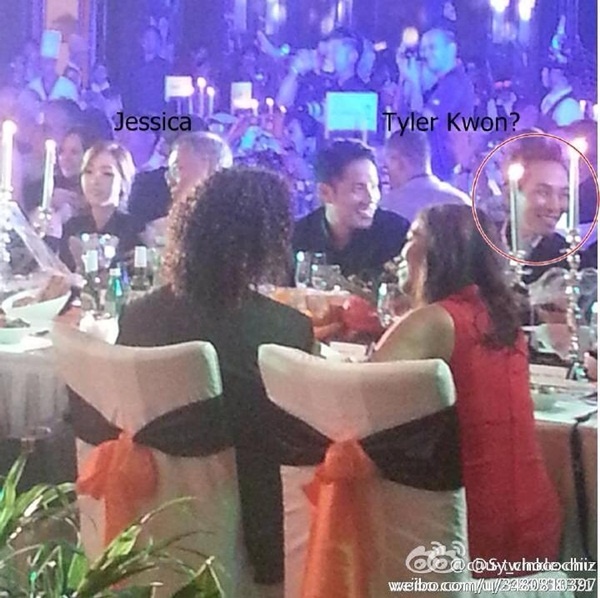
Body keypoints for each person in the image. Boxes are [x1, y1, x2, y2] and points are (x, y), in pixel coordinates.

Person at [117, 167, 315, 589]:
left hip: (148, 501)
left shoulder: (137, 316)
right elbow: (300, 431)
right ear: (266, 242)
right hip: (252, 517)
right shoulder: (287, 329)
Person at [372, 204, 561, 572]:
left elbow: (359, 401)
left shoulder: (433, 321)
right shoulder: (501, 320)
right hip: (535, 518)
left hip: (471, 526)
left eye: (412, 238)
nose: (400, 252)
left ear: (439, 251)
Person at [292, 139, 409, 281]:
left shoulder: (396, 234)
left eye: (374, 187)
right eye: (359, 188)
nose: (371, 198)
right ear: (325, 192)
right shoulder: (298, 238)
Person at [399, 28, 475, 181]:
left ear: (451, 49)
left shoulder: (454, 84)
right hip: (437, 173)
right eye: (423, 49)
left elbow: (421, 125)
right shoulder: (438, 86)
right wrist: (406, 79)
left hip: (445, 174)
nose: (426, 54)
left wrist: (415, 84)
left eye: (432, 47)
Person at [129, 132, 233, 237]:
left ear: (207, 164)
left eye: (177, 169)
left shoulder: (230, 230)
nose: (170, 180)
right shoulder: (156, 232)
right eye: (170, 172)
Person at [58, 141, 139, 271]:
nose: (95, 181)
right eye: (88, 171)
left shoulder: (135, 230)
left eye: (107, 174)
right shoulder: (72, 227)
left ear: (123, 181)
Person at [503, 136, 570, 283]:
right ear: (510, 194)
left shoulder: (567, 258)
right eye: (543, 192)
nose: (555, 206)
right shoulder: (480, 247)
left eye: (563, 194)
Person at [381, 129, 470, 222]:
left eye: (386, 166)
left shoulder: (387, 207)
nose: (387, 174)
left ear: (398, 161)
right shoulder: (461, 202)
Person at [122, 26, 169, 116]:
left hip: (158, 115)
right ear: (142, 41)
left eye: (153, 39)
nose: (149, 42)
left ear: (159, 42)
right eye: (147, 38)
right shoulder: (132, 65)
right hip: (135, 115)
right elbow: (127, 91)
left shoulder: (165, 67)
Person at [538, 60, 582, 129]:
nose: (543, 74)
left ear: (558, 73)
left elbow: (565, 134)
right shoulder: (548, 98)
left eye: (547, 70)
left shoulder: (569, 105)